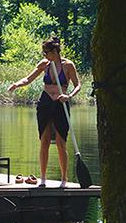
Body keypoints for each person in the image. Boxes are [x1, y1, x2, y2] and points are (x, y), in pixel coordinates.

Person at [7, 36, 81, 188]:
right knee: (45, 141)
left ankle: (64, 179)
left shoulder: (68, 65)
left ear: (55, 51)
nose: (44, 55)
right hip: (45, 103)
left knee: (61, 143)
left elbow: (78, 85)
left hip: (61, 104)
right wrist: (16, 84)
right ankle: (42, 179)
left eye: (46, 52)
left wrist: (69, 96)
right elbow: (28, 79)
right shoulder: (45, 64)